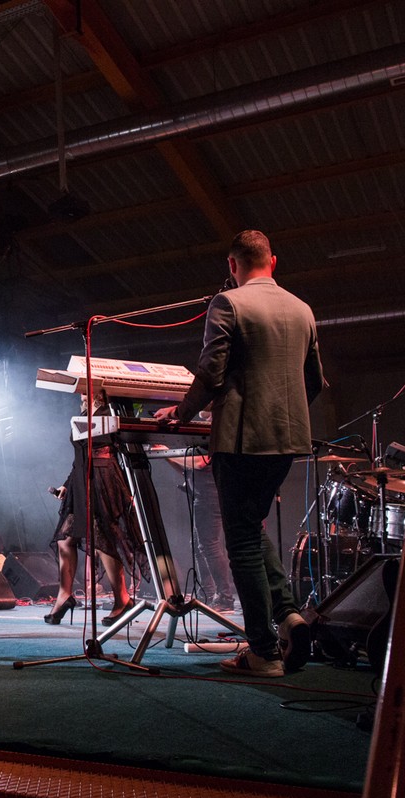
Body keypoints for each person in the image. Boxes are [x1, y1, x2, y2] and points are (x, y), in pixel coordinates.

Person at [155, 230, 324, 677]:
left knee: (241, 540)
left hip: (241, 440)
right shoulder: (303, 309)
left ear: (232, 266)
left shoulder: (228, 304)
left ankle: (263, 652)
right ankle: (288, 614)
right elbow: (315, 382)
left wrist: (183, 413)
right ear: (274, 261)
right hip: (287, 440)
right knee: (251, 526)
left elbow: (210, 373)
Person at [44, 389, 143, 626]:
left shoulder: (109, 413)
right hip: (81, 478)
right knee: (64, 539)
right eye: (81, 396)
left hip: (103, 476)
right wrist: (67, 484)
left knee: (103, 538)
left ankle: (122, 599)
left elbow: (118, 450)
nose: (82, 398)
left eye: (86, 395)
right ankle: (64, 595)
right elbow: (80, 456)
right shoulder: (83, 415)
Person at [164, 447, 238, 612]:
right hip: (202, 495)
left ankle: (224, 597)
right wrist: (165, 455)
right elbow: (186, 466)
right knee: (198, 545)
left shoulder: (211, 432)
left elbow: (200, 462)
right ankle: (207, 592)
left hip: (209, 496)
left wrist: (167, 452)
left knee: (209, 546)